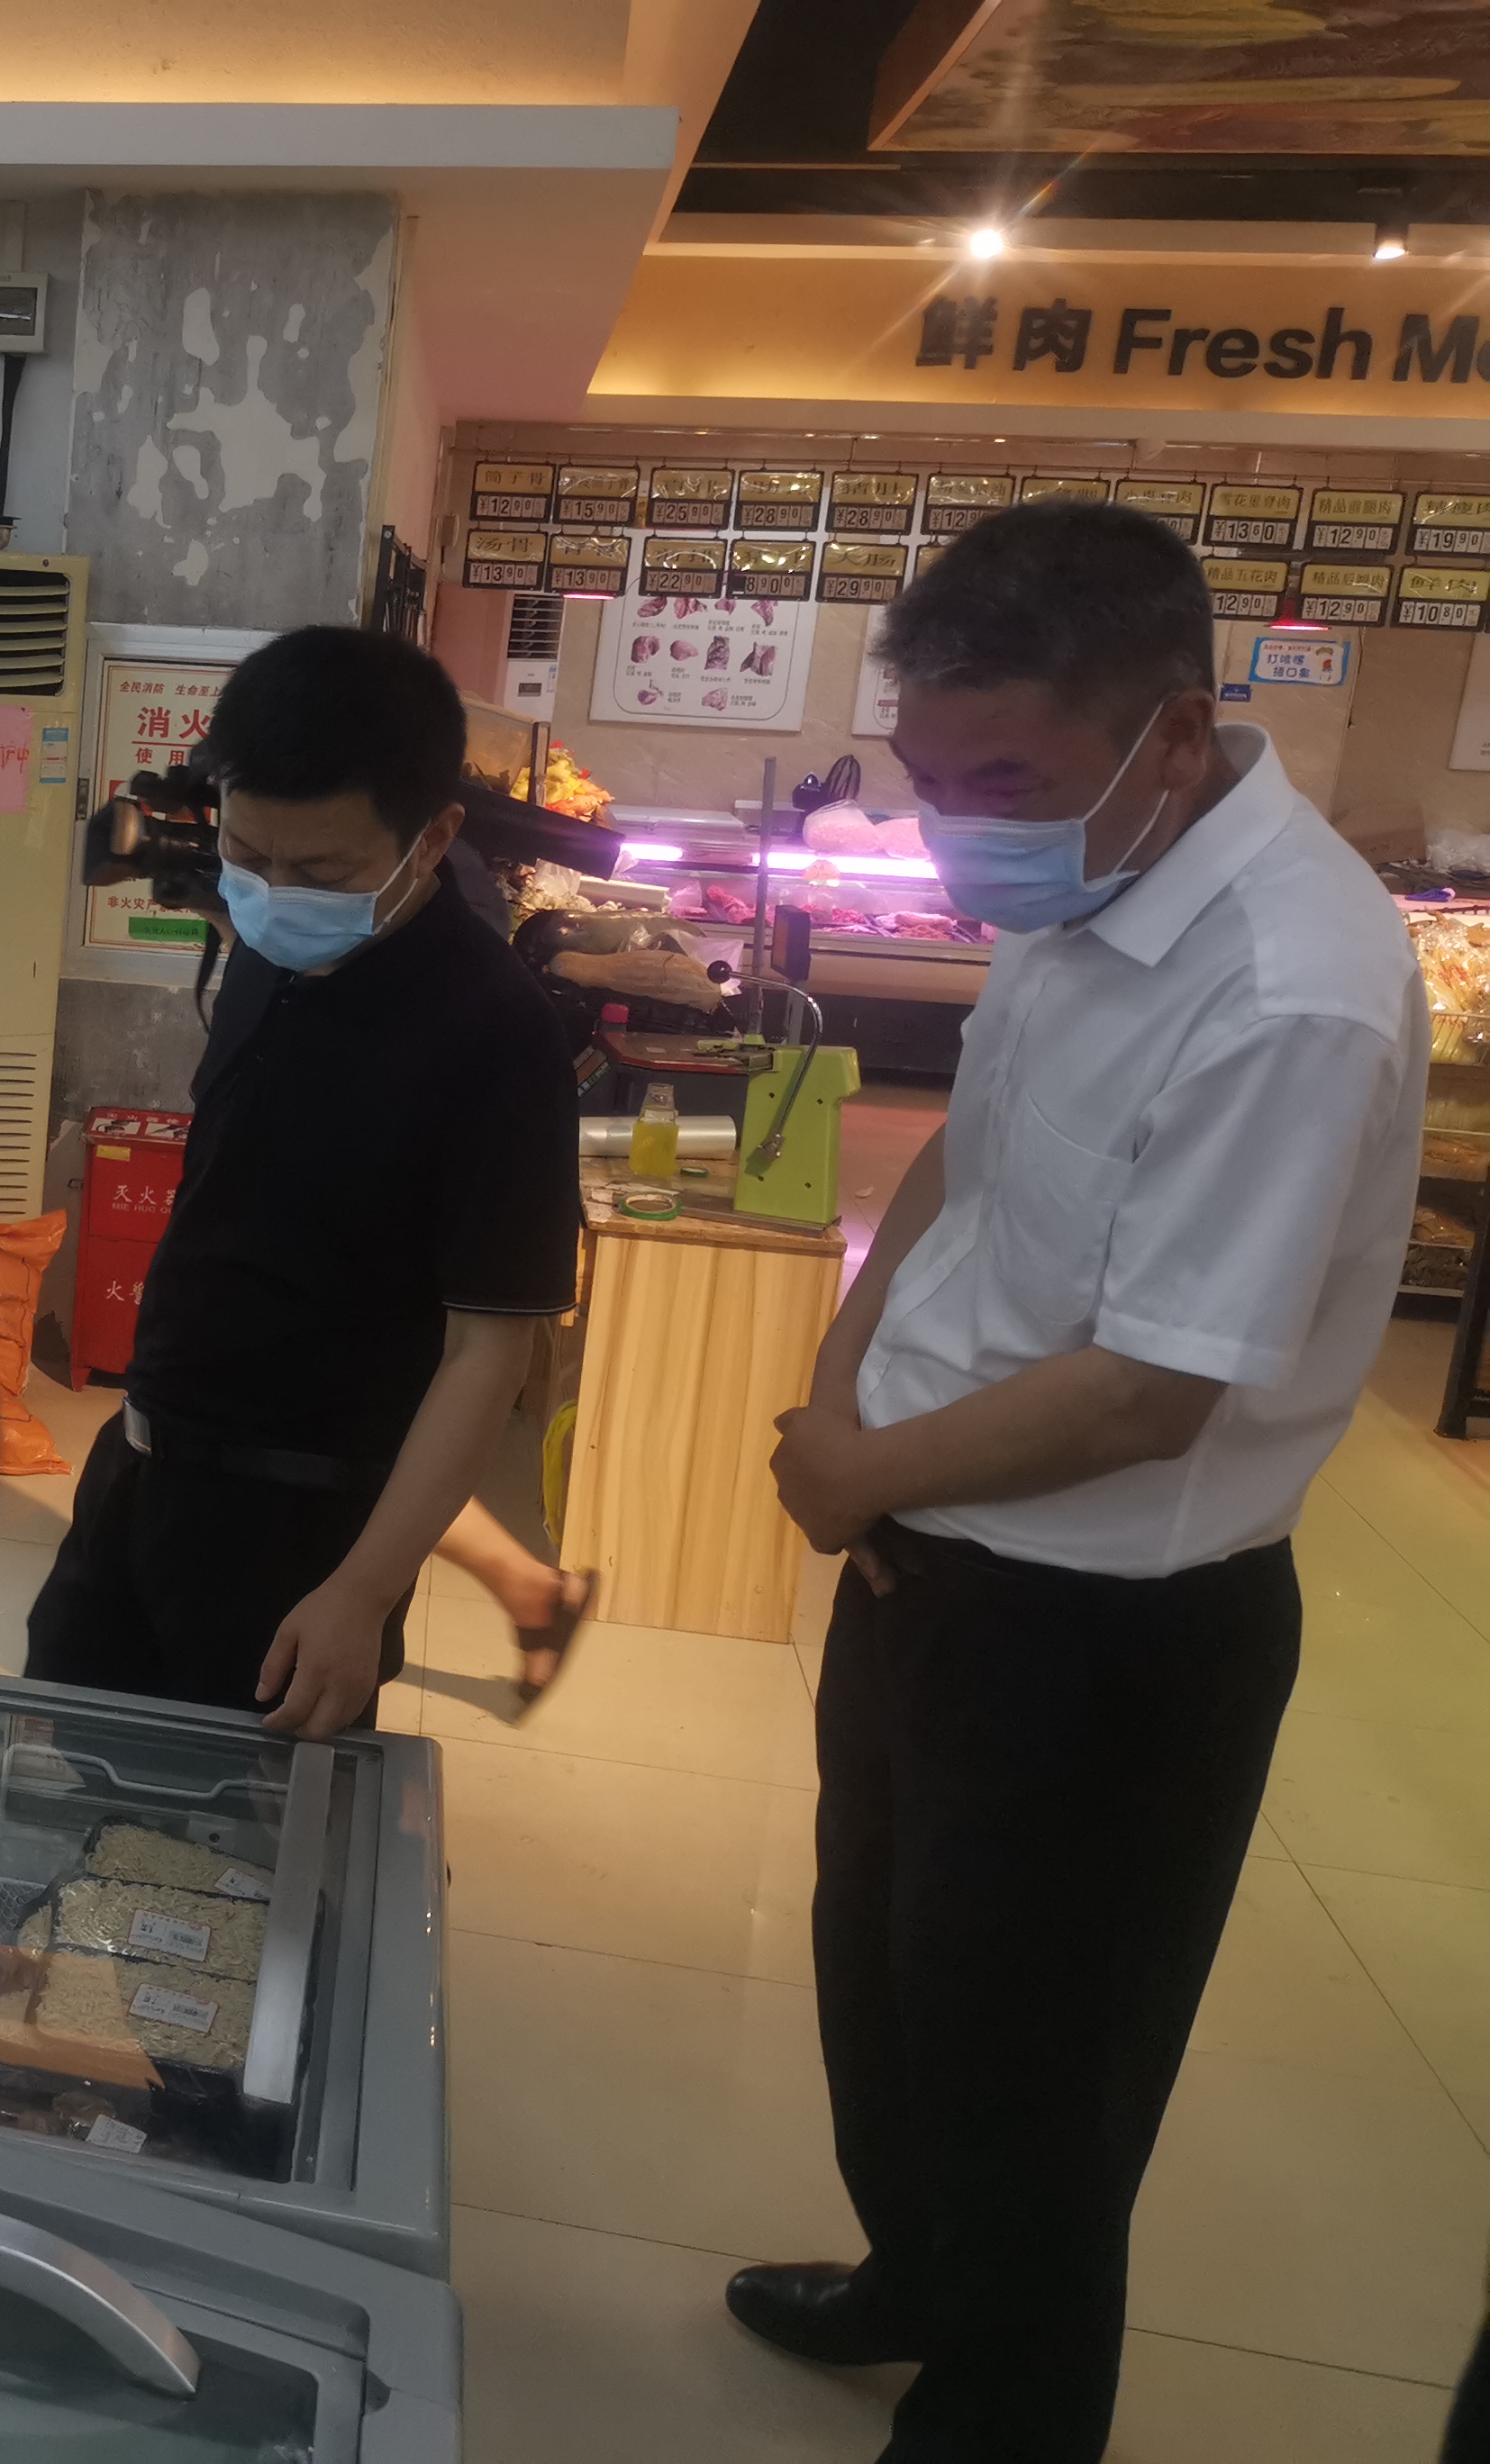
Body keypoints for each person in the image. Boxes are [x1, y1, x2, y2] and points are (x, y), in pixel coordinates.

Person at [744, 500, 1425, 2462]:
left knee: (1037, 2077)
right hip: (927, 1554)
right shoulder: (1087, 884)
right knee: (884, 1983)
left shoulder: (1288, 982)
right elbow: (970, 1158)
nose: (958, 832)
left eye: (1003, 786)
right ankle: (912, 2278)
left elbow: (1148, 1391)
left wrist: (861, 1469)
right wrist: (844, 1401)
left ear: (1171, 737)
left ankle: (1002, 2415)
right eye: (928, 780)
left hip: (1104, 1632)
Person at [23, 627, 582, 1738]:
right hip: (141, 1462)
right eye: (248, 854)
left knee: (244, 1827)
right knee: (73, 1774)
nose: (274, 895)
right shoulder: (265, 948)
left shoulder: (496, 1036)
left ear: (435, 837)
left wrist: (364, 1593)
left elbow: (487, 1355)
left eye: (321, 873)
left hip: (305, 1528)